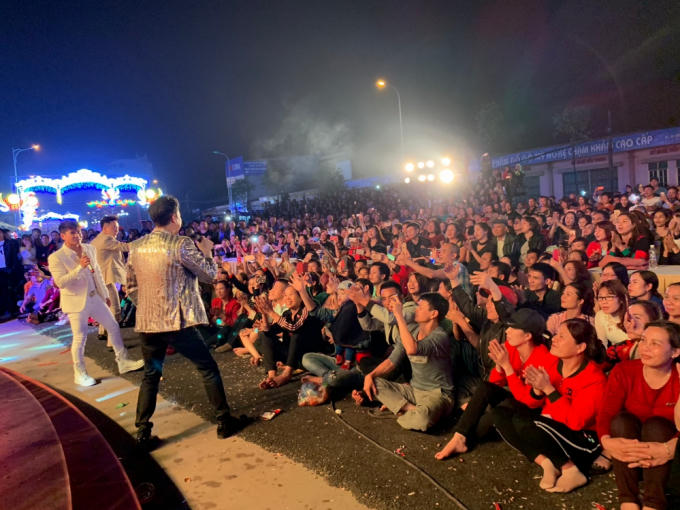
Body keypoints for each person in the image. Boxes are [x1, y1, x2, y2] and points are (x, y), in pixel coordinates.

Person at [126, 196, 246, 447]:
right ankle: (224, 421)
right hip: (177, 321)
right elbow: (210, 275)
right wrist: (207, 252)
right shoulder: (180, 244)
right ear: (174, 217)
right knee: (207, 368)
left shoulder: (136, 246)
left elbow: (131, 287)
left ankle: (142, 432)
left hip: (148, 323)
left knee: (151, 374)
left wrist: (147, 307)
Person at [491, 319, 607, 493]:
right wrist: (537, 391)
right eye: (556, 334)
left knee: (526, 423)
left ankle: (570, 469)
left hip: (583, 440)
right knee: (499, 414)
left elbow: (576, 422)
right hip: (551, 424)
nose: (554, 339)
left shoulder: (594, 379)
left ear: (580, 347)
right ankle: (547, 463)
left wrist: (548, 389)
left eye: (562, 336)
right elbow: (529, 402)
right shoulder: (552, 360)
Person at [435, 308, 556, 460]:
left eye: (513, 328)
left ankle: (464, 435)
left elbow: (528, 402)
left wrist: (507, 367)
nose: (507, 331)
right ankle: (459, 437)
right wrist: (499, 366)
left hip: (529, 409)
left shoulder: (543, 358)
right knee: (485, 388)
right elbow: (494, 385)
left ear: (527, 336)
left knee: (482, 424)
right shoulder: (512, 346)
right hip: (513, 397)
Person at [48, 221, 143, 387]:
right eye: (72, 232)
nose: (77, 235)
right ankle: (80, 373)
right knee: (80, 337)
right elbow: (61, 282)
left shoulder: (89, 249)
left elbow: (96, 272)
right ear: (63, 236)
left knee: (113, 326)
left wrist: (104, 294)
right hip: (75, 301)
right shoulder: (56, 257)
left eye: (78, 232)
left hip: (94, 297)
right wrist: (79, 267)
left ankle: (123, 361)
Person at [597, 321, 680, 510]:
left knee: (657, 425)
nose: (645, 348)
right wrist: (607, 441)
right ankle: (628, 500)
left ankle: (654, 503)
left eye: (655, 343)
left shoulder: (678, 377)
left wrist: (669, 448)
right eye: (643, 340)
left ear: (675, 352)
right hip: (630, 455)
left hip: (667, 459)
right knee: (621, 421)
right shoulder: (624, 371)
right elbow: (606, 413)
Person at [363, 293, 455, 431]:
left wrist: (399, 315)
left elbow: (412, 349)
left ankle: (401, 408)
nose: (416, 310)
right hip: (414, 390)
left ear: (433, 314)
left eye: (421, 308)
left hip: (437, 394)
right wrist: (370, 375)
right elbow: (392, 361)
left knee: (423, 419)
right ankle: (409, 409)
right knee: (374, 383)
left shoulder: (440, 336)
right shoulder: (412, 332)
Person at [90, 215, 130, 344]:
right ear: (105, 228)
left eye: (117, 227)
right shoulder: (106, 239)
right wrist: (144, 242)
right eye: (114, 227)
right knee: (115, 309)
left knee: (105, 307)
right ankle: (112, 342)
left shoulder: (96, 240)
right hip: (106, 280)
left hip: (99, 280)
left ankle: (102, 331)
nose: (117, 230)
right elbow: (126, 247)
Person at [595, 280, 629, 347]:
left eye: (609, 297)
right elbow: (602, 344)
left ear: (621, 299)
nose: (604, 302)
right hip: (616, 352)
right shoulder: (601, 315)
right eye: (600, 297)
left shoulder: (632, 315)